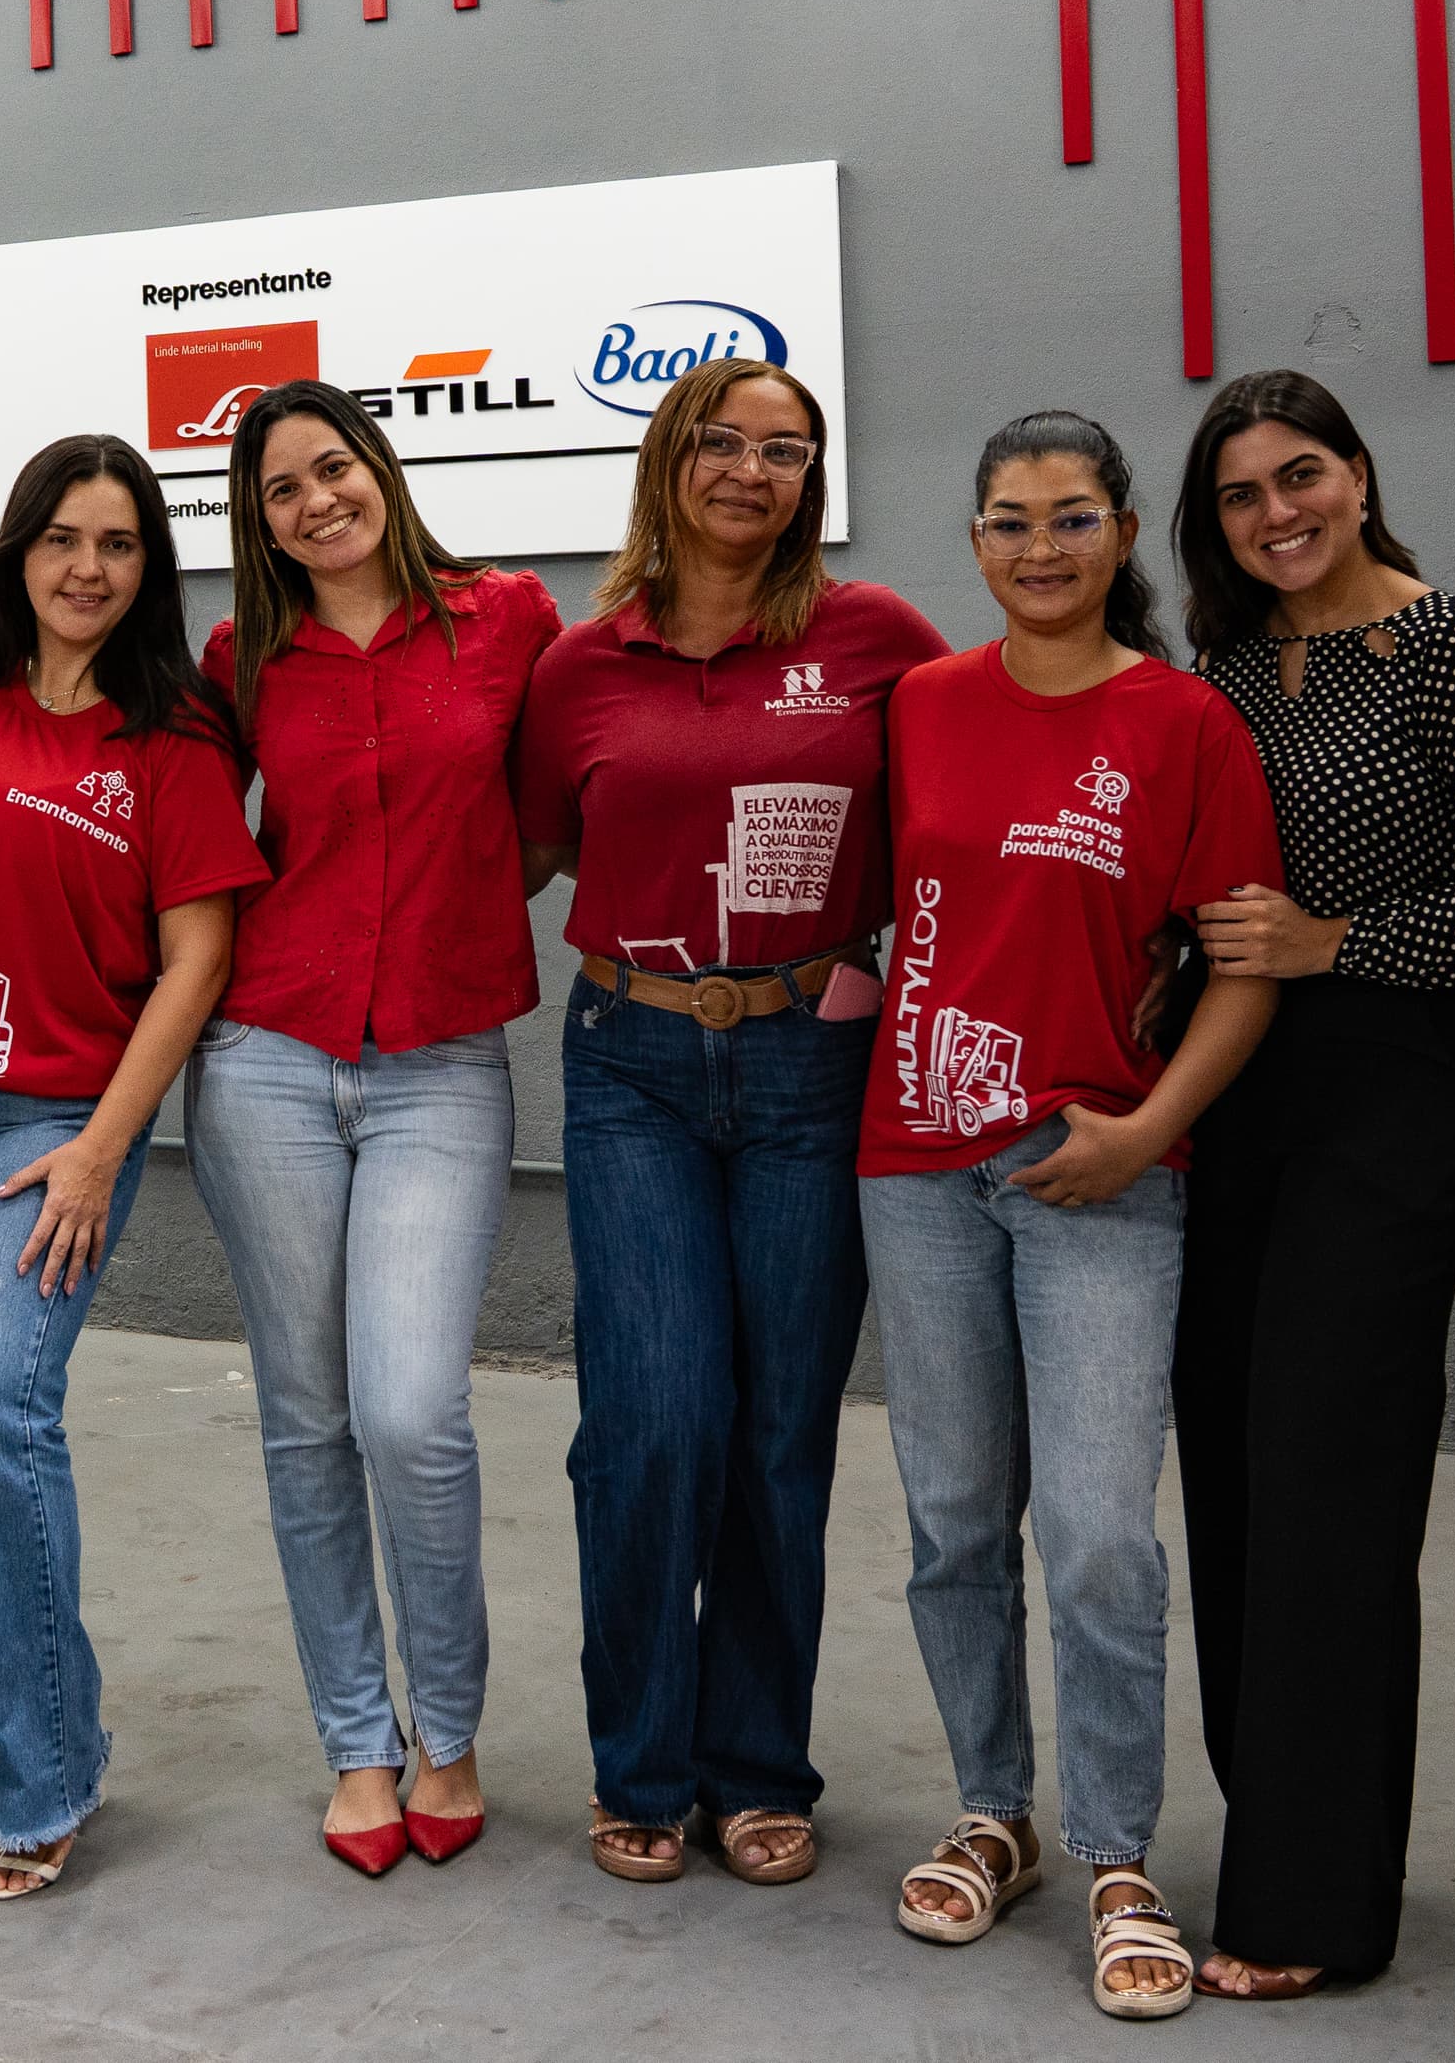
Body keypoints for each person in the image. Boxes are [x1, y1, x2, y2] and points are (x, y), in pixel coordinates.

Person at [855, 410, 1285, 2025]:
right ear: (975, 542)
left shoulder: (1185, 723)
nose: (1041, 548)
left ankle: (1116, 1853)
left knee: (1100, 1533)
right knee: (956, 1518)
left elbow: (1241, 967)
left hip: (1102, 1165)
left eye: (1073, 518)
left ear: (1122, 533)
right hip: (917, 1163)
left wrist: (1151, 1133)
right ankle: (995, 1813)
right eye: (1011, 522)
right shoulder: (922, 706)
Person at [1167, 371, 1455, 2001]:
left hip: (1402, 1079)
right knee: (1232, 1447)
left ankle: (1312, 1908)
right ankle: (1280, 1818)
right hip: (1233, 1075)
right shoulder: (1221, 669)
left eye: (1302, 476)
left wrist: (1338, 941)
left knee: (1331, 1463)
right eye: (1242, 493)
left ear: (1358, 474)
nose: (1278, 513)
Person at [511, 357, 948, 1889]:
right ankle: (639, 1762)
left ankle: (757, 1764)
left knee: (777, 1431)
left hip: (811, 1066)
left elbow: (971, 793)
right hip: (630, 1060)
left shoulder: (875, 638)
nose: (751, 470)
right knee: (656, 1419)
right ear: (668, 459)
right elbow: (528, 849)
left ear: (812, 481)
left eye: (787, 449)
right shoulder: (579, 665)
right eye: (722, 440)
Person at [0, 435, 267, 1900]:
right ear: (18, 551)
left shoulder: (177, 737)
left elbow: (198, 957)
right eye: (62, 538)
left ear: (150, 566)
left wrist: (103, 1147)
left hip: (54, 1120)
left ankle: (37, 1784)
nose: (87, 568)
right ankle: (62, 1732)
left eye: (119, 543)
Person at [183, 381, 556, 1876]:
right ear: (260, 522)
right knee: (308, 1417)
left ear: (381, 469)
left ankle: (447, 1731)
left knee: (412, 1413)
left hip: (441, 1066)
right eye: (281, 490)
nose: (316, 502)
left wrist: (465, 908)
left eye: (333, 468)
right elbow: (147, 791)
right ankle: (358, 1741)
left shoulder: (507, 620)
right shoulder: (241, 659)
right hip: (267, 1057)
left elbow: (556, 807)